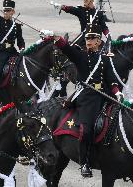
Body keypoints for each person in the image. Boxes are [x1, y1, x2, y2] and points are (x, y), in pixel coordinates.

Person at [53, 23, 123, 177]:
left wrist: (117, 92)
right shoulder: (81, 56)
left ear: (98, 41)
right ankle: (85, 162)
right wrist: (56, 38)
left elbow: (111, 80)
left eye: (92, 38)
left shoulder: (105, 59)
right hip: (87, 98)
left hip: (104, 95)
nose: (89, 41)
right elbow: (67, 49)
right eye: (87, 38)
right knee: (86, 129)